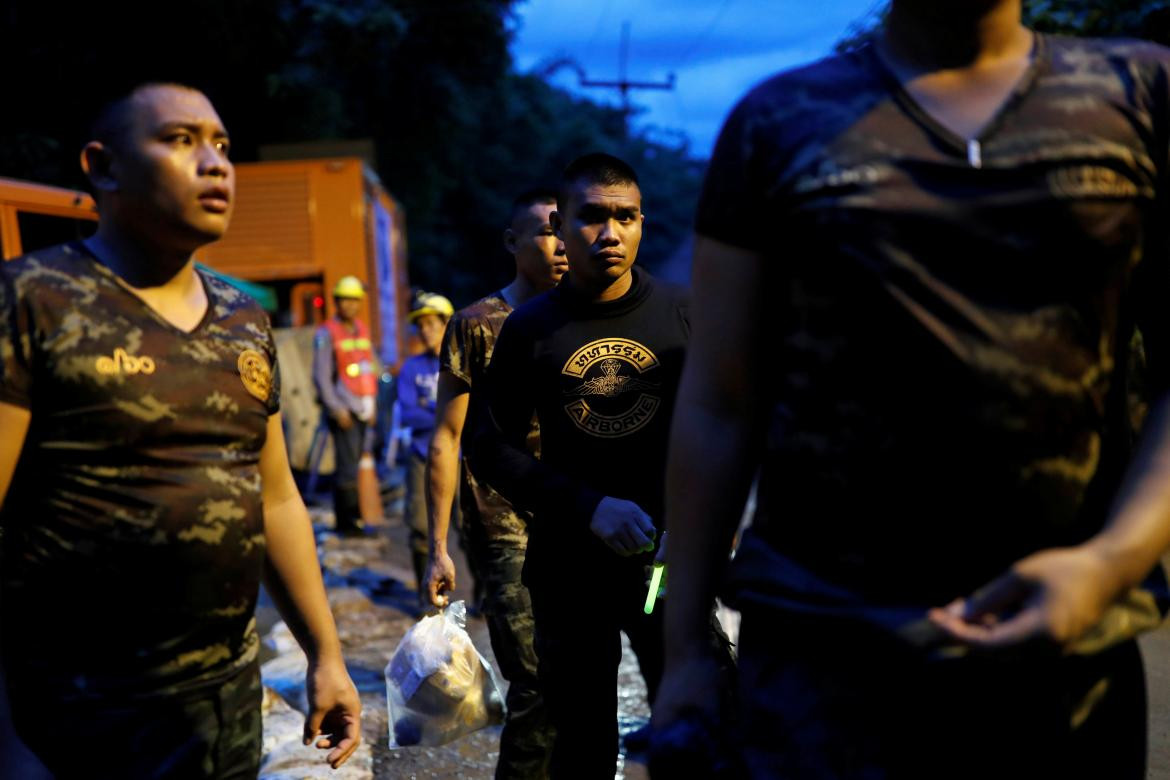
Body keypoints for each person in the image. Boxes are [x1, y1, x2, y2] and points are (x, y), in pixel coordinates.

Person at [652, 2, 1170, 777]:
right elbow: (719, 402)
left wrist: (1110, 563)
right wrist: (688, 645)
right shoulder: (776, 122)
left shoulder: (1138, 93)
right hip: (821, 661)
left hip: (1065, 663)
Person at [0, 82, 361, 778]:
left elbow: (277, 497)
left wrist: (327, 655)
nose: (216, 162)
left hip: (225, 702)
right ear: (103, 167)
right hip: (83, 714)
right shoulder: (32, 298)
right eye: (180, 140)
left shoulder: (242, 318)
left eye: (222, 145)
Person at [472, 153, 711, 778]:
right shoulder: (529, 329)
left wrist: (698, 526)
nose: (611, 234)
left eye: (626, 217)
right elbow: (488, 445)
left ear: (642, 222)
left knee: (693, 725)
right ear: (561, 223)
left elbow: (726, 426)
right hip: (570, 569)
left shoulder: (686, 314)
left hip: (665, 567)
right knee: (580, 743)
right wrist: (589, 507)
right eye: (593, 218)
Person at [423, 188, 566, 778]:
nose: (560, 244)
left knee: (582, 677)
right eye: (544, 231)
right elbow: (445, 439)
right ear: (512, 242)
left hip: (584, 518)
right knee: (534, 681)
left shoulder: (587, 314)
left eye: (566, 230)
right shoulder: (476, 324)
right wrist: (438, 548)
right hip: (504, 523)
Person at [313, 274, 379, 535]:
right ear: (336, 303)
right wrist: (336, 408)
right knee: (346, 470)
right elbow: (320, 375)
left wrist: (371, 404)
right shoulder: (326, 332)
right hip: (345, 411)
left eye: (355, 301)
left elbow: (370, 368)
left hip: (363, 408)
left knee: (355, 466)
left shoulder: (362, 329)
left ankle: (355, 520)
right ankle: (349, 524)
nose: (350, 306)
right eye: (345, 301)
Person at [398, 290, 453, 593]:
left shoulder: (459, 362)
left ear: (447, 324)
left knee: (469, 528)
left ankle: (484, 594)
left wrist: (427, 409)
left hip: (459, 458)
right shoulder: (411, 368)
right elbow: (408, 414)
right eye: (420, 325)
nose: (425, 330)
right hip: (422, 456)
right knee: (420, 527)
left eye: (432, 323)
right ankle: (426, 593)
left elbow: (471, 413)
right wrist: (446, 417)